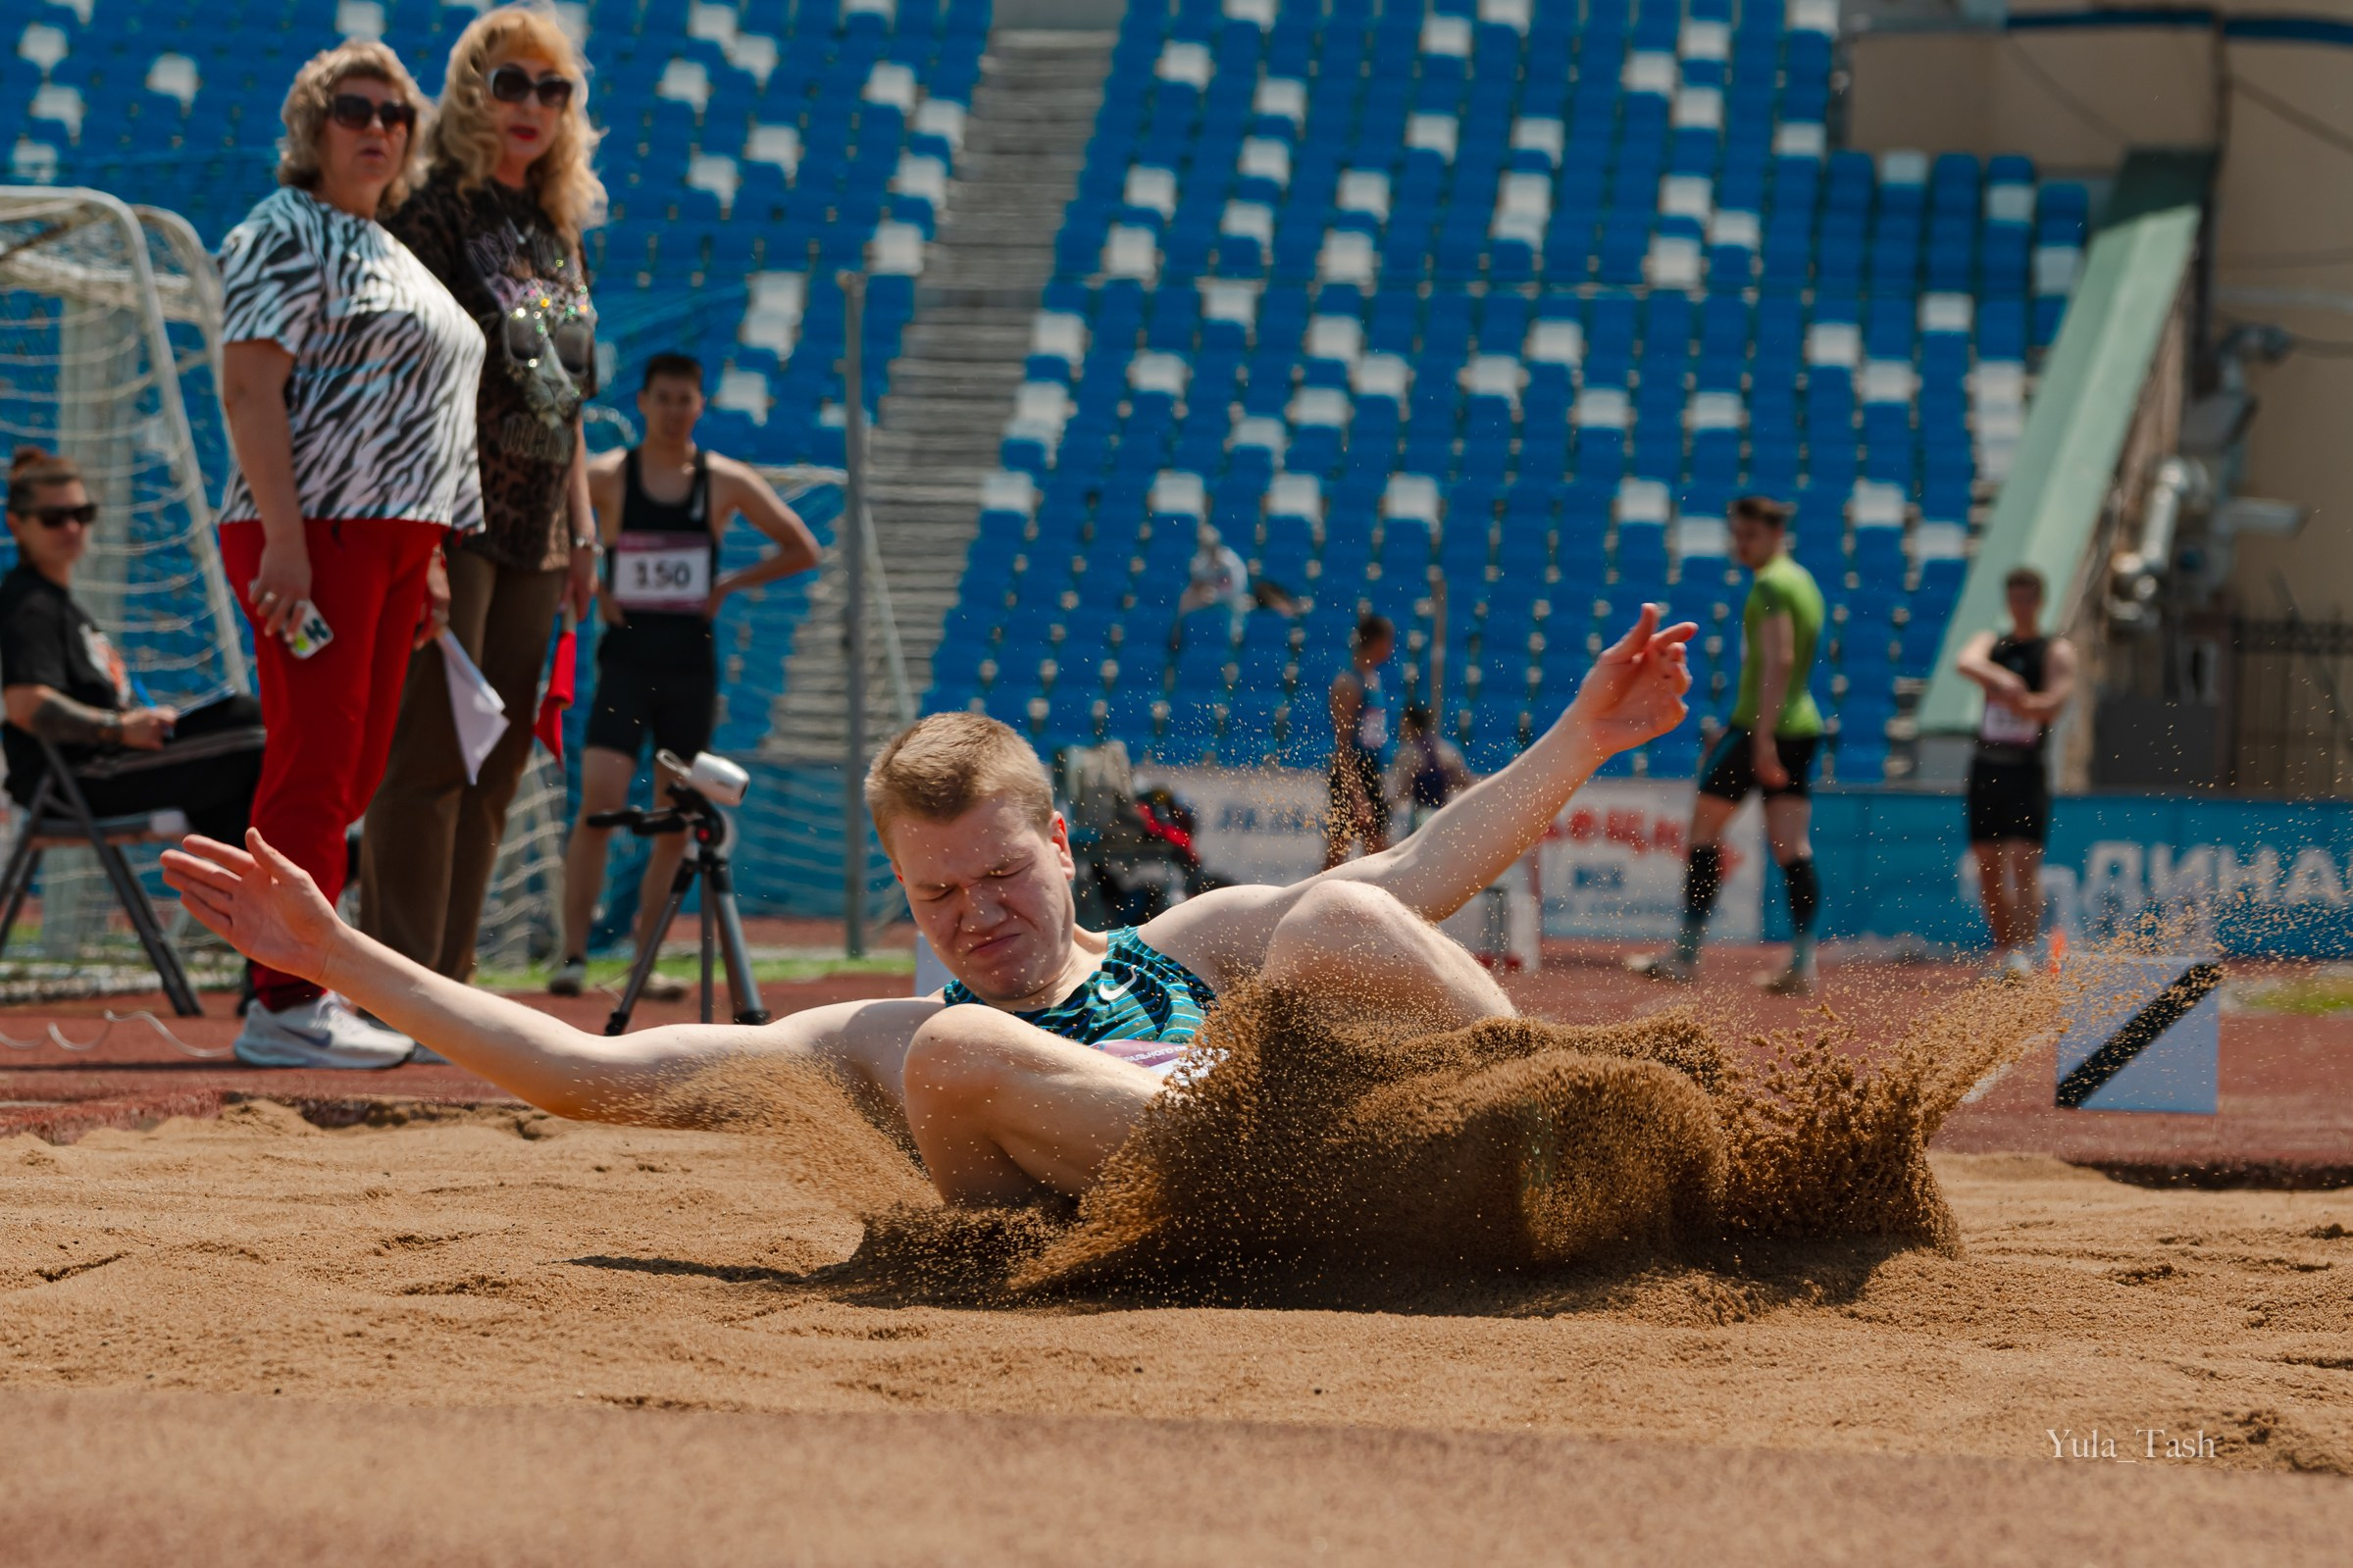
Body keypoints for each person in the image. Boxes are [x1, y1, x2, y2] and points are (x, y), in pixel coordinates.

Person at [162, 607, 1694, 1208]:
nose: (972, 916)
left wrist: (1583, 739)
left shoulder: (1188, 943)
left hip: (1329, 1161)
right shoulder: (892, 1027)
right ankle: (1292, 1159)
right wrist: (337, 949)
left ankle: (1574, 1131)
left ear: (1063, 854)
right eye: (934, 891)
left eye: (999, 876)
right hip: (1165, 1200)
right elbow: (594, 1075)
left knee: (1328, 929)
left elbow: (1418, 879)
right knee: (954, 1058)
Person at [216, 39, 483, 1066]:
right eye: (352, 110)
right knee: (315, 764)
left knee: (357, 768)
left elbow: (418, 415)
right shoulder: (283, 229)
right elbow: (249, 390)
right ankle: (281, 1000)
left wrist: (428, 557)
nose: (376, 127)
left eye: (394, 114)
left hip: (390, 538)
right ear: (310, 129)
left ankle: (307, 986)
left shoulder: (394, 251)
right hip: (311, 531)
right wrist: (283, 541)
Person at [360, 1, 605, 986]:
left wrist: (584, 535)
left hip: (539, 533)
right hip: (451, 517)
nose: (532, 105)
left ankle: (451, 988)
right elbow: (398, 378)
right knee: (428, 761)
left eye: (553, 89)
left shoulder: (554, 224)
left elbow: (567, 400)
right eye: (512, 83)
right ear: (471, 94)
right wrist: (416, 546)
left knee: (498, 765)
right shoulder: (433, 211)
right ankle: (394, 986)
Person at [547, 354, 820, 998]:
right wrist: (591, 578)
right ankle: (574, 955)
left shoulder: (724, 481)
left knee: (675, 813)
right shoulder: (609, 476)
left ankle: (642, 961)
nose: (673, 410)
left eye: (685, 399)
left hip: (689, 665)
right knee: (599, 803)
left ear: (700, 406)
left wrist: (729, 584)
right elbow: (558, 529)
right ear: (642, 402)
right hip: (624, 658)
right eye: (662, 398)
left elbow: (801, 546)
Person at [2, 448, 265, 844]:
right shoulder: (29, 605)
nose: (72, 528)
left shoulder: (63, 605)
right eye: (53, 518)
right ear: (17, 526)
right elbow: (26, 705)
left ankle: (316, 870)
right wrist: (119, 729)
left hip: (103, 768)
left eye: (82, 514)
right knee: (254, 728)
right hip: (72, 782)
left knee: (240, 801)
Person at [1629, 495, 1825, 994]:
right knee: (1790, 845)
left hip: (1765, 728)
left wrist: (1759, 740)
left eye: (1750, 536)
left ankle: (1687, 954)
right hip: (1800, 726)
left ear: (1775, 534)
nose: (1741, 545)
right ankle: (1803, 963)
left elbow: (1779, 660)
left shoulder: (1771, 585)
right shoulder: (1803, 582)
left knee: (1703, 828)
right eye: (1737, 535)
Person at [1955, 566, 2076, 979]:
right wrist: (2003, 679)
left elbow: (2054, 702)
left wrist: (2021, 703)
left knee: (2024, 862)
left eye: (2027, 599)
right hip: (1987, 766)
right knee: (1988, 866)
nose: (2020, 606)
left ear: (2039, 602)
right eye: (2014, 599)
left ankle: (2024, 952)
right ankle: (2004, 951)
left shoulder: (2054, 651)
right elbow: (1965, 661)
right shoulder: (1994, 643)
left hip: (2027, 769)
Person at [1323, 612, 1397, 869]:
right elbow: (1342, 747)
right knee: (1337, 857)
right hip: (1352, 776)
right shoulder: (1348, 683)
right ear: (1376, 641)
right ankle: (1315, 905)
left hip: (1371, 774)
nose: (1391, 648)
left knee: (1377, 856)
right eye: (1389, 641)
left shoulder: (1373, 679)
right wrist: (1358, 794)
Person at [1389, 703, 1473, 836]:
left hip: (1419, 820)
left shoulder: (1408, 753)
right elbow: (1466, 781)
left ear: (1409, 724)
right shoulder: (1447, 749)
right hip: (1442, 815)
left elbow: (1401, 792)